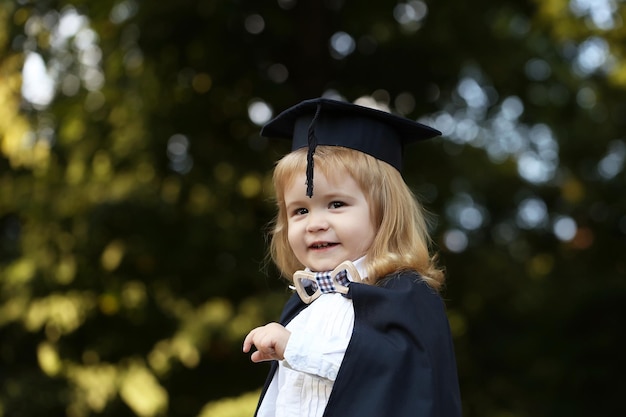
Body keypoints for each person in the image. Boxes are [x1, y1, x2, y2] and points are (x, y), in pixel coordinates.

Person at [243, 97, 462, 417]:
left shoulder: (404, 294)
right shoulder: (302, 308)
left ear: (385, 211)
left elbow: (396, 375)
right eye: (300, 210)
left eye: (336, 204)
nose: (316, 224)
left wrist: (296, 348)